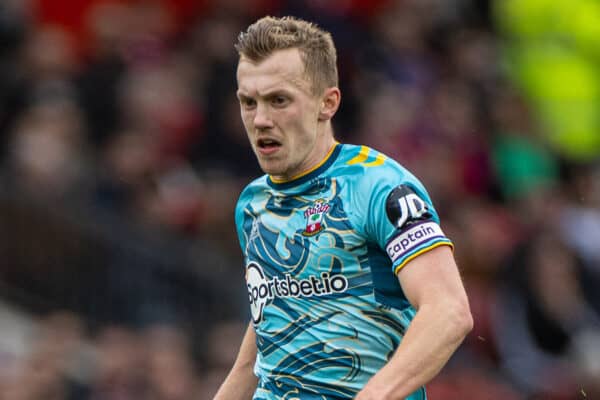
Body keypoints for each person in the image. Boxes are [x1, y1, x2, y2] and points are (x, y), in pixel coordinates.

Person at [214, 16, 473, 400]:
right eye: (248, 102)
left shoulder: (378, 185)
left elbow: (448, 312)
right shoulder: (252, 203)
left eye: (278, 100)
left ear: (327, 102)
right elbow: (268, 327)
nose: (260, 120)